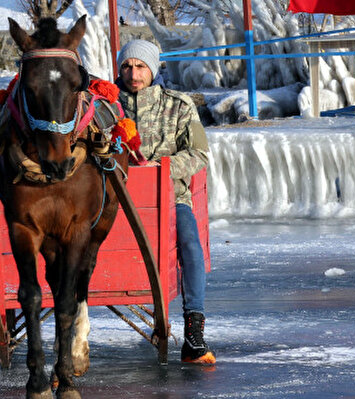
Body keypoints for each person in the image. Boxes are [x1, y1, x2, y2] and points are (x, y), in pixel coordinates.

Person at [116, 39, 215, 364]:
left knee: (189, 244)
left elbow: (199, 153)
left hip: (169, 196)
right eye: (128, 66)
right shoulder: (104, 105)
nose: (133, 74)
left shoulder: (178, 105)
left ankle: (194, 331)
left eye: (140, 66)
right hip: (111, 199)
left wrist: (163, 171)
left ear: (154, 68)